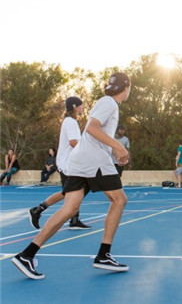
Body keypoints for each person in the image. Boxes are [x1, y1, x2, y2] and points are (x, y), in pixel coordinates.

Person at [12, 72, 132, 279]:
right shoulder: (110, 103)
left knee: (70, 208)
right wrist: (118, 147)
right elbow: (91, 129)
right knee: (119, 200)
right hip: (92, 160)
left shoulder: (106, 102)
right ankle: (103, 254)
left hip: (81, 160)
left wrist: (114, 151)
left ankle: (27, 254)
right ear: (127, 88)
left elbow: (95, 136)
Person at [28, 96, 90, 230]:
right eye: (80, 105)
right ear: (74, 107)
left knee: (74, 191)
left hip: (69, 164)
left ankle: (73, 219)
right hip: (68, 165)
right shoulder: (70, 122)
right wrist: (90, 151)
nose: (82, 107)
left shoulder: (70, 121)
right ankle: (38, 210)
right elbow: (74, 142)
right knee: (70, 192)